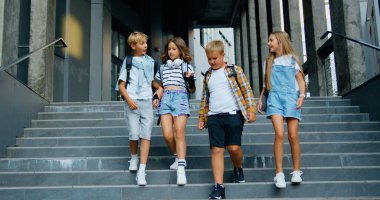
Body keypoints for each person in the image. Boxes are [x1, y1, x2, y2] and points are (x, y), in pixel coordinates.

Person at [198, 40, 256, 199]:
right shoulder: (208, 75)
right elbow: (205, 98)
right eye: (209, 59)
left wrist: (251, 110)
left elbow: (247, 91)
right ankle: (218, 186)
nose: (212, 61)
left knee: (233, 148)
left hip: (233, 114)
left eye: (215, 58)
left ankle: (238, 168)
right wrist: (202, 117)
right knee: (216, 150)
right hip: (214, 117)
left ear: (223, 55)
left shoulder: (234, 70)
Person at [257, 31, 306, 189]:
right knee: (279, 134)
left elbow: (300, 80)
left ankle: (296, 171)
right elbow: (266, 84)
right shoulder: (268, 62)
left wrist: (302, 96)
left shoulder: (293, 60)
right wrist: (260, 98)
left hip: (291, 98)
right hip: (275, 99)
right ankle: (279, 173)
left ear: (280, 41)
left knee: (293, 135)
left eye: (271, 40)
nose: (268, 43)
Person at [116, 31, 162, 186]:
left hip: (147, 101)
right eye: (142, 43)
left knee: (146, 135)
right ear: (133, 45)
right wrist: (129, 100)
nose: (145, 46)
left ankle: (142, 170)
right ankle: (134, 157)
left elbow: (152, 82)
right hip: (132, 101)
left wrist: (159, 91)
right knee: (134, 134)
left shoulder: (150, 62)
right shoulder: (128, 62)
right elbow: (121, 86)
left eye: (146, 43)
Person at [153, 37, 196, 186]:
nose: (171, 52)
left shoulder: (186, 67)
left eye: (174, 49)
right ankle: (178, 156)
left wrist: (190, 80)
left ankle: (181, 170)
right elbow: (158, 85)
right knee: (167, 135)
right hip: (165, 99)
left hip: (181, 98)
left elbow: (192, 89)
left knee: (179, 132)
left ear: (180, 50)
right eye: (169, 49)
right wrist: (156, 95)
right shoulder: (163, 68)